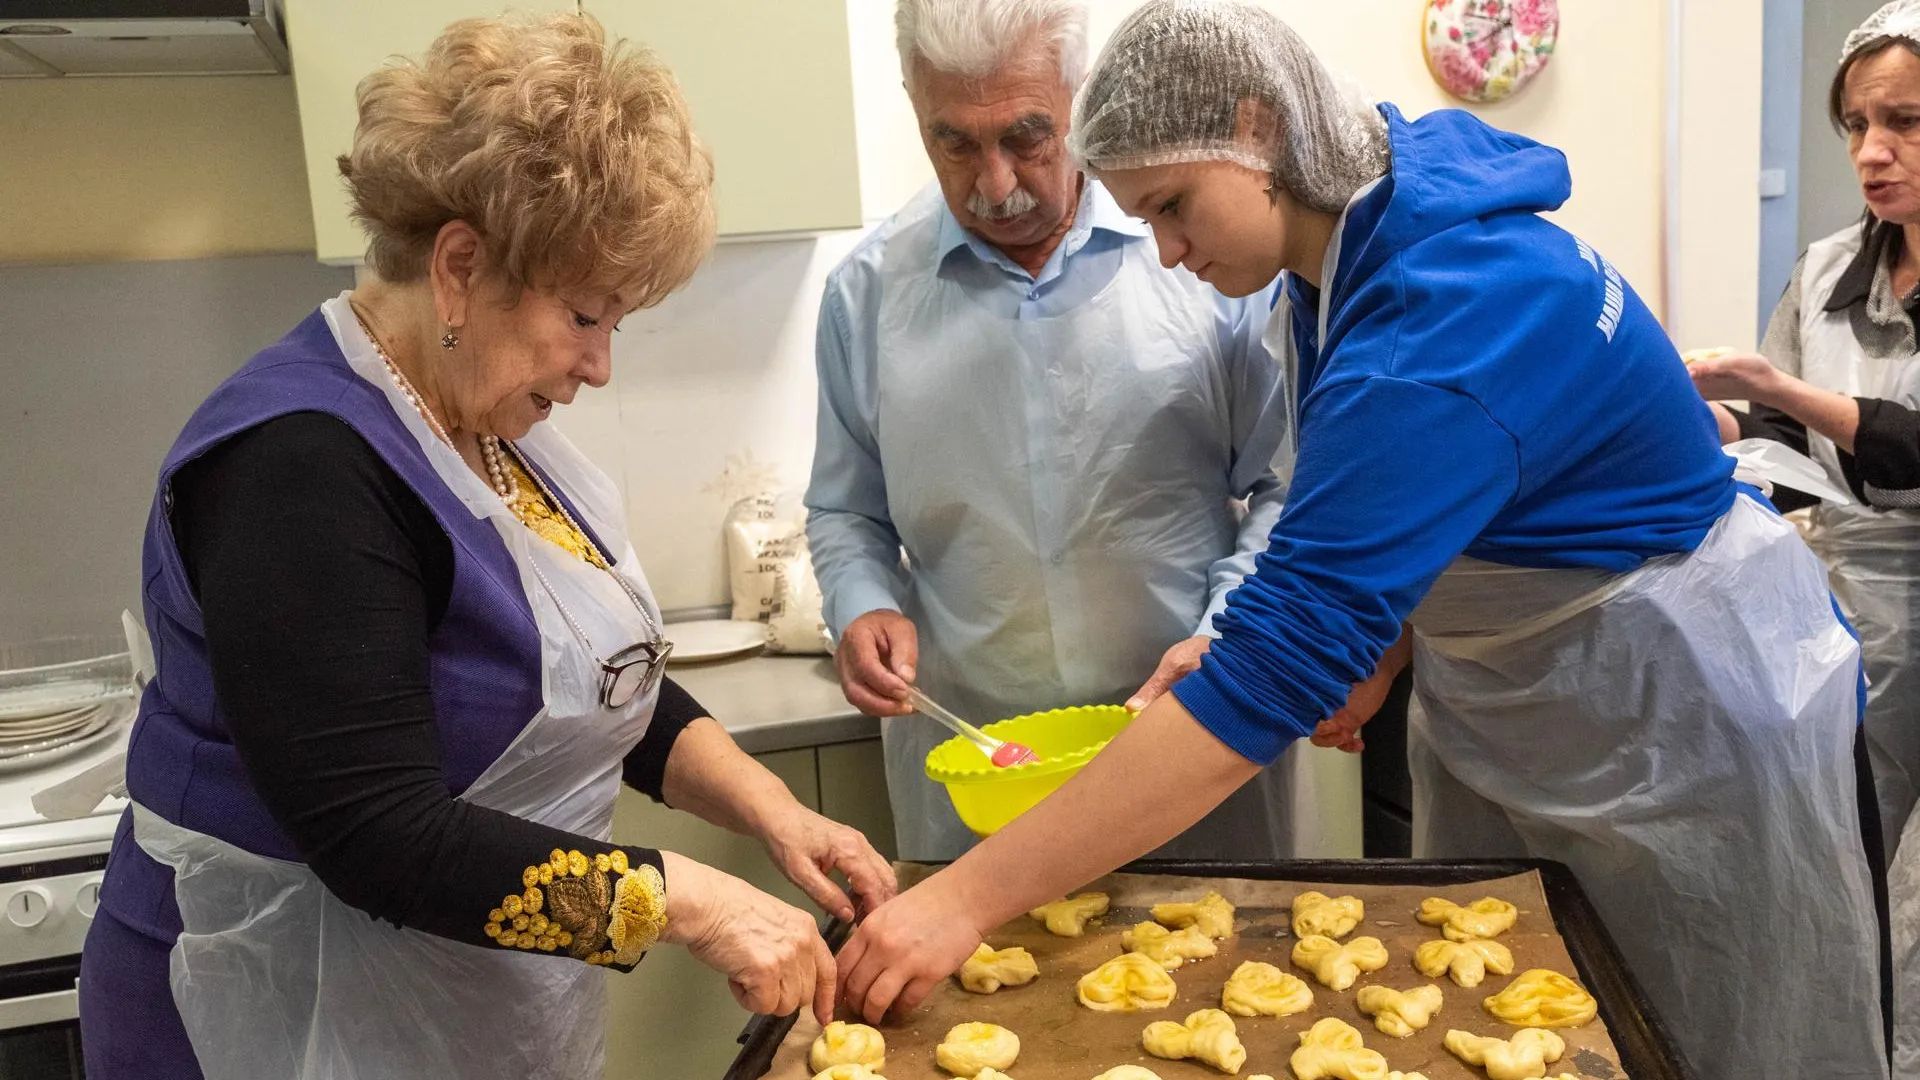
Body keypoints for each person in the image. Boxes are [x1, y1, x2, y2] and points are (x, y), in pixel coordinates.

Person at [833, 4, 1886, 1079]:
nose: (1167, 249)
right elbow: (1450, 499)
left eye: (1174, 206)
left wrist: (962, 898)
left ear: (1258, 130)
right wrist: (1377, 643)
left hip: (1671, 714)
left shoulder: (1435, 322)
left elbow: (1276, 671)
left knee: (1693, 1031)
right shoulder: (1364, 233)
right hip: (1548, 691)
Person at [77, 15, 893, 1079]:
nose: (600, 365)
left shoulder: (484, 428)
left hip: (432, 1007)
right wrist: (691, 899)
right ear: (460, 266)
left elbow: (590, 683)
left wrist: (773, 811)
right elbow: (378, 835)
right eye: (587, 317)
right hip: (277, 1017)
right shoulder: (300, 466)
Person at [807, 0, 1329, 864]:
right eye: (957, 143)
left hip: (1192, 748)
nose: (996, 182)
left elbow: (1290, 486)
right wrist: (859, 605)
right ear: (912, 101)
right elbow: (844, 510)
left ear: (1080, 95)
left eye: (1027, 135)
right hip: (980, 774)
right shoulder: (866, 297)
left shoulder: (1203, 258)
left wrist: (1227, 630)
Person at [1689, 4, 1920, 1073]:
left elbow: (1877, 433)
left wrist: (1785, 394)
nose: (1873, 151)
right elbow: (1786, 428)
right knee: (1834, 864)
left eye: (1907, 122)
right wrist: (1721, 420)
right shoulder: (1831, 268)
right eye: (1858, 123)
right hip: (1841, 613)